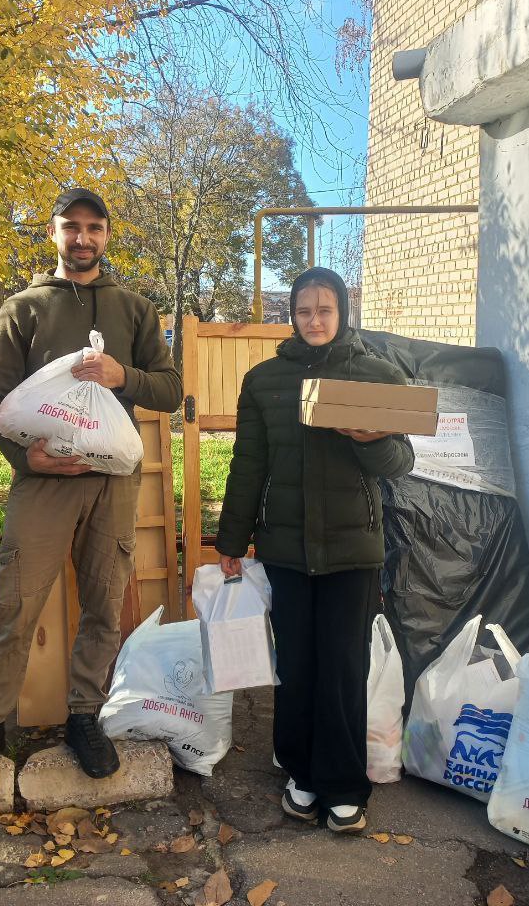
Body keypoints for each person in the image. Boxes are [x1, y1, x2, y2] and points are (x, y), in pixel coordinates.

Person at [0, 187, 182, 789]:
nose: (83, 238)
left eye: (94, 228)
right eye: (71, 227)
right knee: (15, 601)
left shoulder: (135, 310)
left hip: (113, 479)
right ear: (53, 233)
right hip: (44, 478)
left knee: (105, 601)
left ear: (107, 235)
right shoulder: (24, 308)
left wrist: (122, 375)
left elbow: (167, 390)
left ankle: (85, 715)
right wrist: (25, 458)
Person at [214, 266, 415, 834]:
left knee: (343, 665)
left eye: (325, 309)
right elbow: (248, 464)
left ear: (343, 312)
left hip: (354, 548)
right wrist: (232, 538)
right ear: (292, 315)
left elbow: (402, 464)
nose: (315, 319)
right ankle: (301, 772)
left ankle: (344, 783)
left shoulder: (376, 375)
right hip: (286, 546)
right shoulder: (264, 381)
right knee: (297, 663)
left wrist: (373, 441)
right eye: (304, 310)